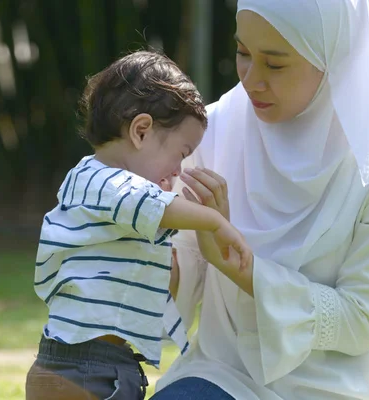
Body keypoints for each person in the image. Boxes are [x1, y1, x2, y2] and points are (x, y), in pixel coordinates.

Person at [151, 1, 369, 399]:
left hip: (330, 387)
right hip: (223, 373)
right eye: (243, 53)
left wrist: (244, 269)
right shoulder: (217, 127)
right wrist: (154, 259)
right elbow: (186, 263)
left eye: (275, 65)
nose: (251, 80)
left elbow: (363, 318)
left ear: (333, 57)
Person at [25, 51, 252, 400]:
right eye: (181, 152)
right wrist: (214, 221)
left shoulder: (106, 200)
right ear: (141, 130)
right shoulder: (101, 180)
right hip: (86, 368)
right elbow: (152, 205)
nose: (179, 170)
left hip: (95, 364)